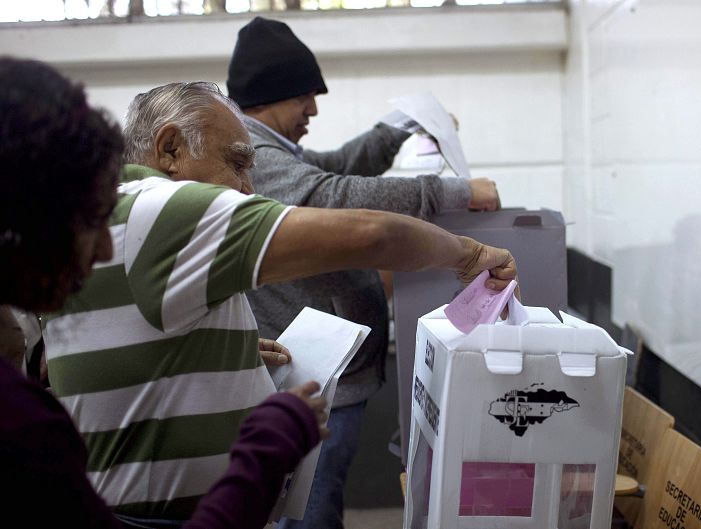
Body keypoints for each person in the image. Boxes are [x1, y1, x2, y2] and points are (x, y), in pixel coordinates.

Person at [43, 81, 517, 526]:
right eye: (236, 164)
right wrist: (469, 254)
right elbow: (372, 235)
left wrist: (216, 354)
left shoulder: (106, 215)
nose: (249, 188)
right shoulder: (164, 209)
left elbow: (82, 356)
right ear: (170, 149)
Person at [0, 57, 328, 529]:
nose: (107, 243)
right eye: (88, 216)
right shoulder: (24, 428)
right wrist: (265, 451)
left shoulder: (26, 407)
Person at [226, 18, 503, 527]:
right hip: (313, 378)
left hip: (326, 375)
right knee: (311, 514)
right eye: (304, 97)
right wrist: (457, 193)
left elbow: (336, 166)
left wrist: (397, 126)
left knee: (314, 508)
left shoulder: (274, 152)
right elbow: (335, 195)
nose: (312, 109)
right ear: (269, 95)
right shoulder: (254, 157)